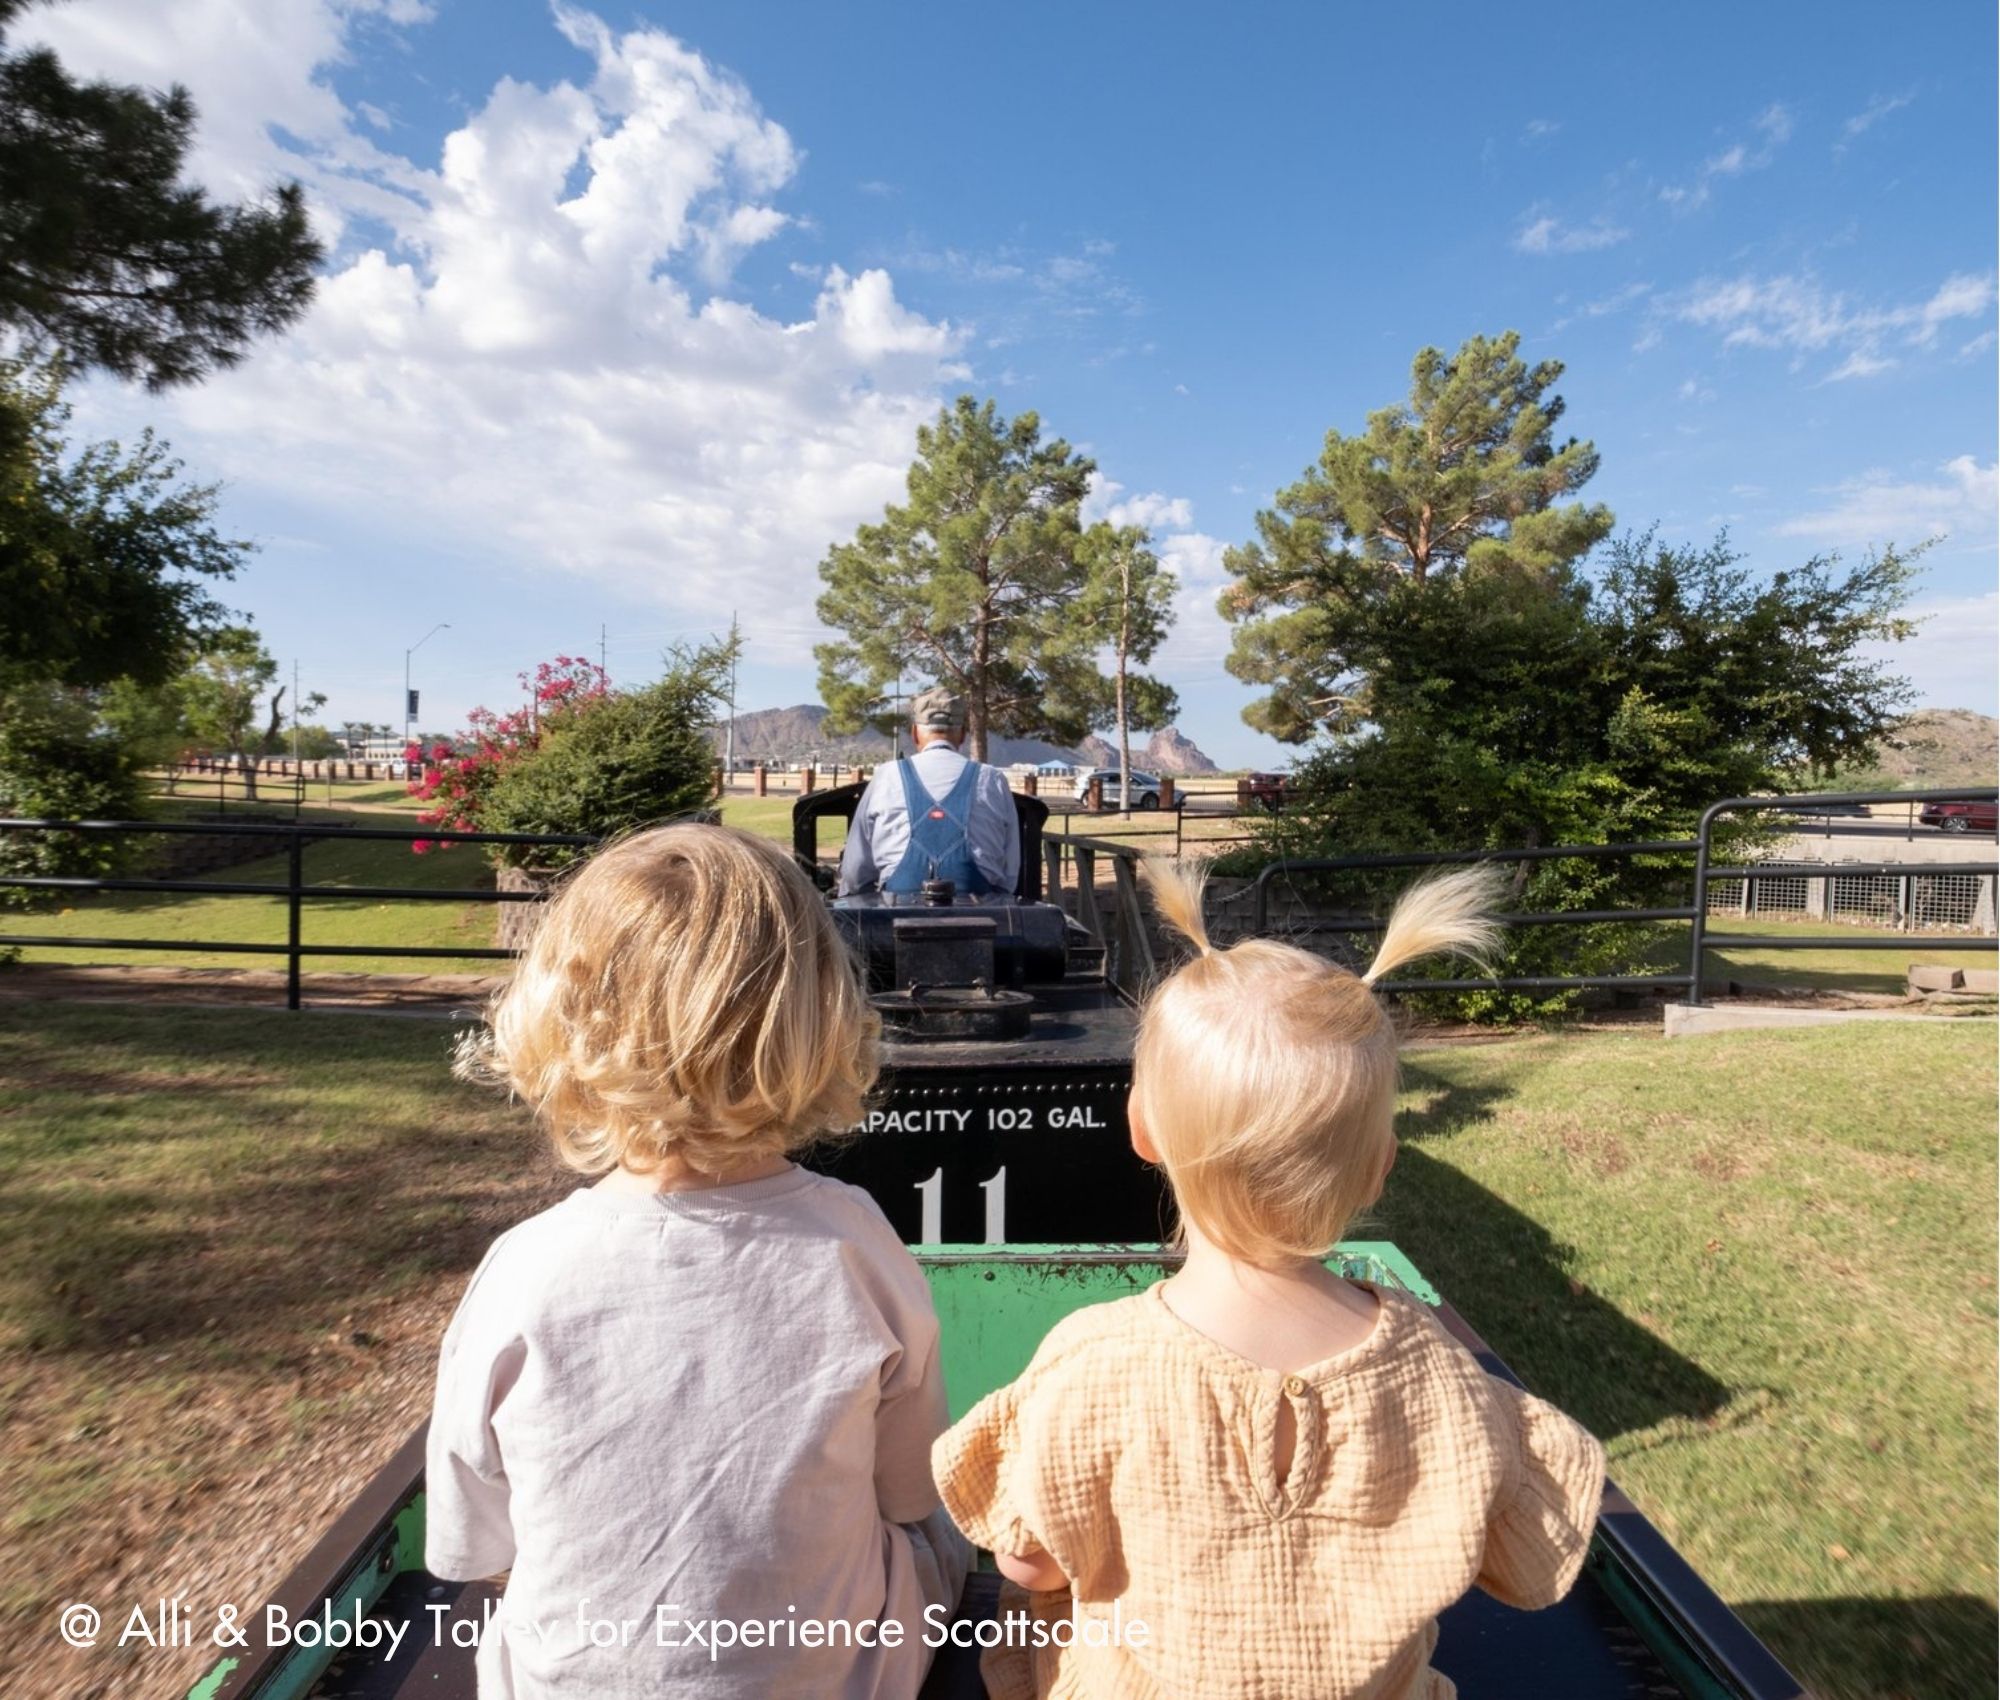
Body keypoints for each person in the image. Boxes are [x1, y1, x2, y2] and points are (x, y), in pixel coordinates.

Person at [931, 863, 1606, 1700]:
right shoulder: (1436, 1371)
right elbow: (1527, 1567)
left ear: (1142, 1129)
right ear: (1379, 1168)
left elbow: (1027, 1563)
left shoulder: (1094, 1361)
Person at [428, 824, 970, 1699]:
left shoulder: (523, 1270)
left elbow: (475, 1546)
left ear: (563, 1018)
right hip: (831, 1679)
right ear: (817, 1016)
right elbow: (909, 1491)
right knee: (935, 1541)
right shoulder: (855, 1241)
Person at [838, 687, 1020, 898]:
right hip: (981, 917)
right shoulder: (992, 779)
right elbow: (1009, 872)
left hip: (896, 918)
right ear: (962, 734)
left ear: (915, 732)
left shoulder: (886, 777)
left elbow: (855, 872)